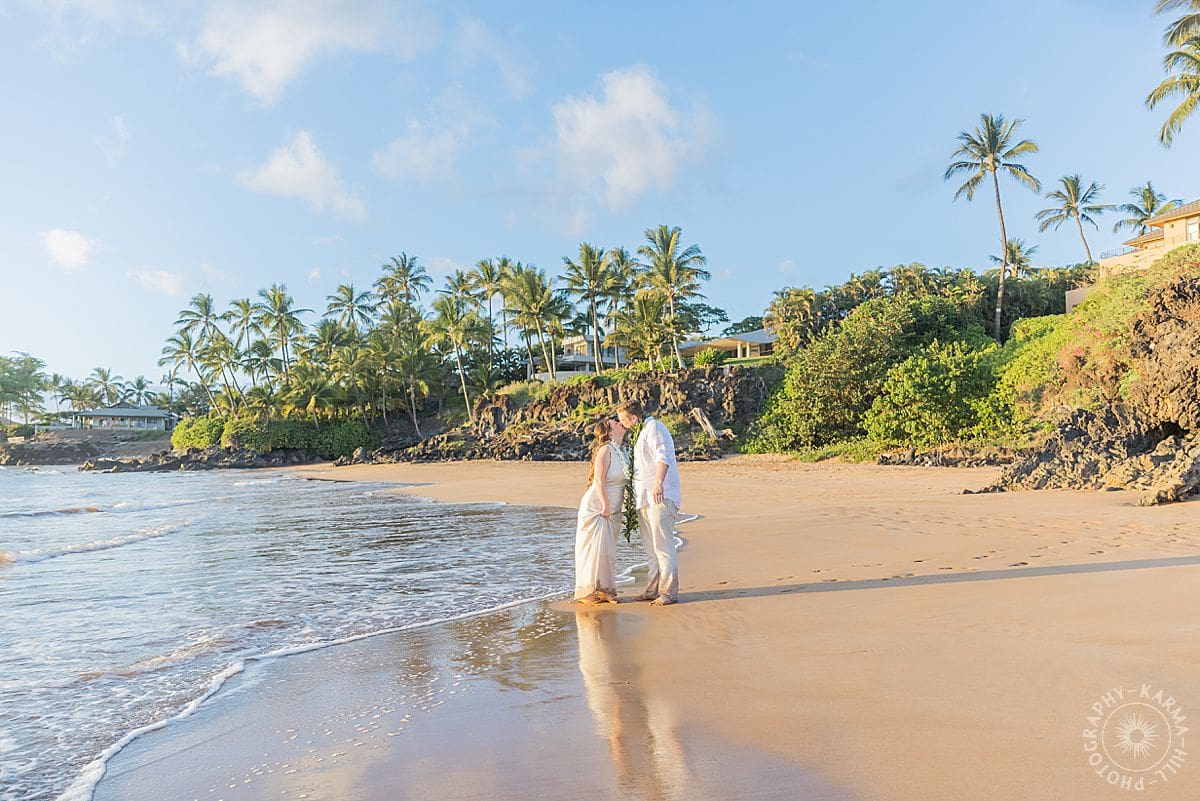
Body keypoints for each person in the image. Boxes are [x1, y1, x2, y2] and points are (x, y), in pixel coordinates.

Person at [615, 400, 680, 606]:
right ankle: (652, 589)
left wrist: (658, 483)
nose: (622, 425)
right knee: (650, 547)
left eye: (623, 421)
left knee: (662, 545)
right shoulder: (640, 433)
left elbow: (664, 457)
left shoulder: (655, 428)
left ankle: (668, 592)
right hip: (644, 497)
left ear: (634, 418)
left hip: (660, 495)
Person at [574, 418, 629, 604]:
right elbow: (599, 480)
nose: (620, 423)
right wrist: (605, 504)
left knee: (607, 550)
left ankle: (605, 590)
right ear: (610, 431)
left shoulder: (622, 451)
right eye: (615, 423)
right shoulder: (605, 450)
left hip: (614, 507)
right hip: (598, 505)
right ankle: (590, 591)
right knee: (595, 549)